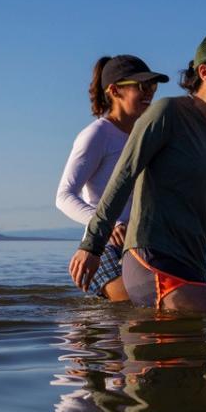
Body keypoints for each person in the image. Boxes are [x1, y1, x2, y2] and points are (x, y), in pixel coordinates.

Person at [69, 33, 206, 314]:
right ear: (205, 71)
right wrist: (92, 246)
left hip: (192, 266)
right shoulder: (168, 113)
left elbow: (198, 210)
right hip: (153, 261)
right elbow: (123, 179)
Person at [56, 55, 169, 301]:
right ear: (115, 90)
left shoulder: (147, 135)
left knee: (163, 307)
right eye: (141, 86)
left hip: (141, 243)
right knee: (138, 309)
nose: (149, 93)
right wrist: (111, 225)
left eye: (152, 87)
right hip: (104, 247)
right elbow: (64, 196)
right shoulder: (97, 134)